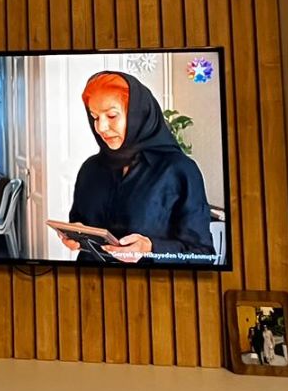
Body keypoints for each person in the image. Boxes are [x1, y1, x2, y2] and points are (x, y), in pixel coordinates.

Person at [58, 70, 213, 264]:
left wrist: (151, 249)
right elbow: (79, 222)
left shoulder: (180, 170)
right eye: (95, 117)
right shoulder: (90, 169)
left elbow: (203, 255)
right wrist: (75, 236)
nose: (101, 127)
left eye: (111, 116)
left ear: (138, 115)